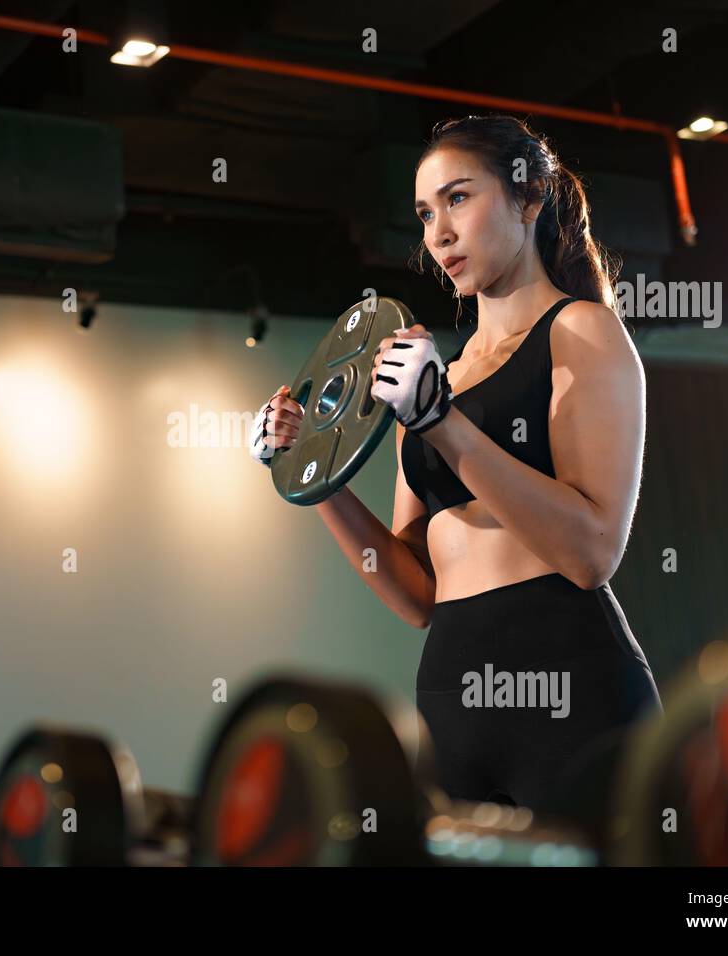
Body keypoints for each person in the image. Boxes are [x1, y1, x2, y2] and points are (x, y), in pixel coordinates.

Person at [249, 115, 662, 823]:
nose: (437, 233)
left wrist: (442, 423)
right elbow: (417, 595)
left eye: (459, 199)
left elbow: (593, 553)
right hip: (454, 697)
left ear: (529, 199)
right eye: (424, 212)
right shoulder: (446, 372)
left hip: (572, 685)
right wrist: (315, 479)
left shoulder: (581, 331)